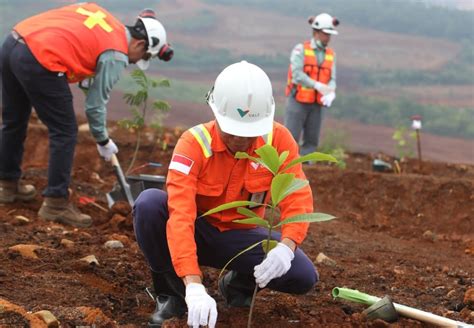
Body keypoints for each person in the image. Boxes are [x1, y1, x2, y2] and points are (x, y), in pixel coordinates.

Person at [133, 61, 318, 327]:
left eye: (248, 133)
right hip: (198, 231)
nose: (240, 140)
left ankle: (237, 285)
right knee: (150, 204)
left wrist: (286, 247)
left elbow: (297, 197)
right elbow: (181, 214)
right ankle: (171, 296)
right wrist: (193, 285)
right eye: (232, 131)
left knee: (302, 276)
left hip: (241, 237)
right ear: (216, 113)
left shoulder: (278, 140)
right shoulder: (193, 143)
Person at [0, 3, 173, 227]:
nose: (132, 62)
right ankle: (56, 203)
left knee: (14, 120)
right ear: (140, 43)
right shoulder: (116, 53)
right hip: (41, 58)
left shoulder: (104, 19)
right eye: (139, 57)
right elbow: (95, 104)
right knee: (64, 130)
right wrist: (102, 139)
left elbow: (78, 51)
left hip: (13, 44)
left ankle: (6, 185)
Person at [284, 13, 339, 156]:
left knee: (312, 139)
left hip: (317, 104)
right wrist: (317, 85)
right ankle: (287, 165)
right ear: (316, 32)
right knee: (290, 136)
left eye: (330, 34)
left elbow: (332, 78)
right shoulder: (301, 49)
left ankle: (308, 166)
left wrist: (331, 91)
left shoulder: (331, 54)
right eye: (326, 34)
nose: (328, 37)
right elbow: (296, 75)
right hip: (298, 100)